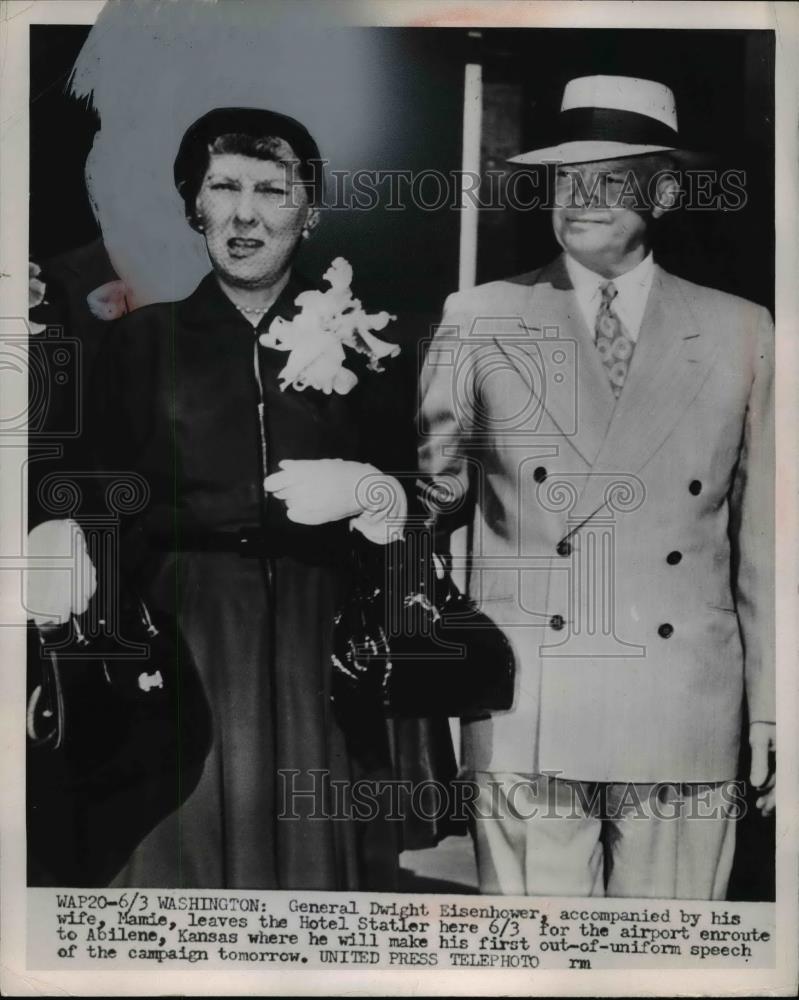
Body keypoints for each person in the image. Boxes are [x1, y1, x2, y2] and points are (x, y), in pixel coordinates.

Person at [31, 106, 455, 890]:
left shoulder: (372, 344)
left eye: (272, 189)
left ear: (311, 211)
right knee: (177, 854)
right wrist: (62, 531)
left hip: (319, 640)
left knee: (313, 864)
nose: (245, 213)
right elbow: (85, 486)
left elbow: (435, 490)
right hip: (180, 636)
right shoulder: (139, 342)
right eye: (222, 187)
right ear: (195, 205)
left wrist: (375, 494)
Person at [419, 76, 775, 899]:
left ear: (666, 190)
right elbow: (433, 499)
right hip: (525, 696)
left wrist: (770, 709)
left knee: (667, 958)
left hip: (684, 699)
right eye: (564, 176)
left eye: (610, 176)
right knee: (533, 961)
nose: (579, 197)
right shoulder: (477, 317)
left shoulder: (743, 329)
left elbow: (766, 543)